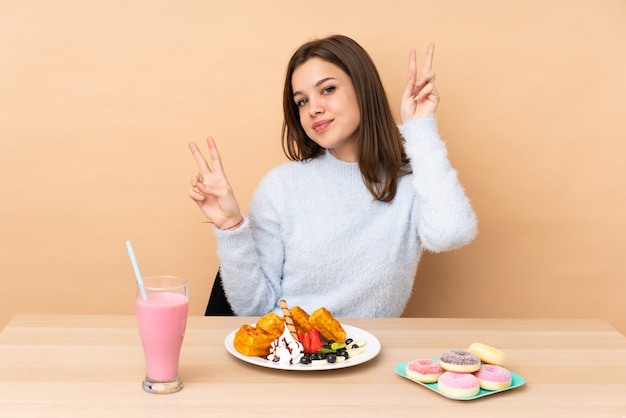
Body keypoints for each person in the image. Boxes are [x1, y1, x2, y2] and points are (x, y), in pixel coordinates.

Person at [188, 34, 477, 317]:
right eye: (301, 101)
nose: (314, 108)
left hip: (367, 357)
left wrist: (420, 126)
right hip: (289, 359)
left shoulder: (414, 184)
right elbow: (254, 309)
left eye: (327, 90)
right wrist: (231, 227)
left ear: (363, 89)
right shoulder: (281, 187)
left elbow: (451, 234)